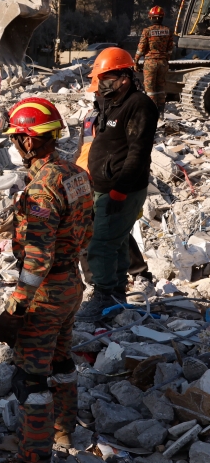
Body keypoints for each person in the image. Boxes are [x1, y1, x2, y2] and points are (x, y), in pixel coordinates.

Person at [0, 98, 93, 463]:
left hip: (47, 293)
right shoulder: (75, 173)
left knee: (31, 377)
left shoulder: (43, 188)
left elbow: (36, 258)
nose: (15, 144)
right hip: (72, 285)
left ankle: (31, 462)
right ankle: (65, 429)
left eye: (17, 137)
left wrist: (16, 307)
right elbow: (88, 230)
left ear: (30, 142)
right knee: (62, 362)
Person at [76, 47, 158, 322]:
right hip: (104, 187)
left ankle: (103, 297)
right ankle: (116, 298)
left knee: (100, 244)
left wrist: (119, 191)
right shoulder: (113, 103)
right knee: (118, 243)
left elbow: (137, 153)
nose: (102, 82)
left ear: (124, 76)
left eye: (106, 76)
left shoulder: (138, 105)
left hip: (121, 190)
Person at [135, 5, 174, 115]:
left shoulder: (147, 31)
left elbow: (141, 48)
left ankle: (151, 112)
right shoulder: (167, 30)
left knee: (150, 88)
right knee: (160, 87)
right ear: (162, 17)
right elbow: (170, 49)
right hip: (163, 63)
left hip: (150, 63)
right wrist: (166, 59)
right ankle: (161, 111)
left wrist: (136, 61)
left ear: (151, 18)